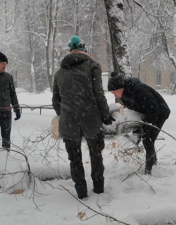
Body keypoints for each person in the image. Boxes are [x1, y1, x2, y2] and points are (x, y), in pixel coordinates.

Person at [52, 36, 115, 199]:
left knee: (75, 159)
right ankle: (99, 189)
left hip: (68, 120)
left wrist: (64, 114)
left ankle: (81, 192)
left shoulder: (59, 72)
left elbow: (56, 100)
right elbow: (98, 93)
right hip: (91, 117)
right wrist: (105, 114)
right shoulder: (93, 66)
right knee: (96, 155)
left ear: (70, 50)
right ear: (84, 50)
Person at [108, 72, 170, 175]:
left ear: (121, 87)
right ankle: (153, 163)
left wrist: (146, 127)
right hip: (149, 113)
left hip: (160, 113)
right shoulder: (124, 95)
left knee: (148, 139)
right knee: (148, 139)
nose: (114, 95)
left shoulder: (139, 90)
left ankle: (149, 169)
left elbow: (153, 109)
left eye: (115, 92)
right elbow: (136, 110)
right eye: (112, 93)